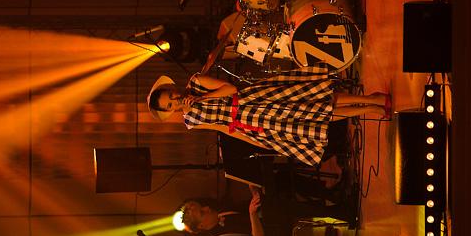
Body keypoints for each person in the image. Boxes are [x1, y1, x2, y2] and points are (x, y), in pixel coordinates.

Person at [147, 63, 391, 166]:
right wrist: (257, 141)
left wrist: (200, 98)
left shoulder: (196, 82)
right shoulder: (191, 121)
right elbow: (224, 128)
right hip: (253, 124)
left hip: (254, 100)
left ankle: (370, 99)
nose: (174, 101)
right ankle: (368, 109)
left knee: (313, 99)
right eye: (169, 106)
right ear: (170, 112)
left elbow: (231, 89)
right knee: (314, 120)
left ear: (172, 88)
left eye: (170, 96)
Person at [179, 184, 357, 236]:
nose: (207, 208)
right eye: (202, 212)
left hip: (271, 225)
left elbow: (253, 205)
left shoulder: (222, 212)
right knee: (279, 208)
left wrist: (255, 192)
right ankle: (341, 211)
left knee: (280, 182)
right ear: (201, 227)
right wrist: (252, 213)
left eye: (202, 206)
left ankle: (332, 197)